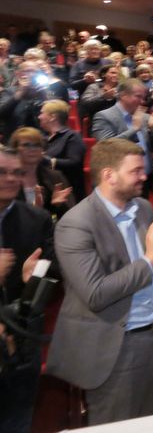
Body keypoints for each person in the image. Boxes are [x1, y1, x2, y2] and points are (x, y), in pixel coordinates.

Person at [46, 138, 153, 425]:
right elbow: (96, 293)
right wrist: (150, 258)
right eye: (136, 171)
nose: (144, 176)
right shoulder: (76, 224)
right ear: (109, 175)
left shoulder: (143, 208)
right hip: (116, 346)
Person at [0, 146, 54, 433]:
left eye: (17, 172)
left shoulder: (37, 219)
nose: (11, 178)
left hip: (21, 345)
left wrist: (32, 279)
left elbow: (52, 274)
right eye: (2, 172)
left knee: (18, 422)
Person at [9, 127, 75, 218]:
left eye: (37, 145)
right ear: (15, 149)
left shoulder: (55, 177)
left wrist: (57, 206)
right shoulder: (7, 178)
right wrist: (33, 211)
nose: (32, 149)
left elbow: (71, 213)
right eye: (26, 145)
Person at [39, 99, 87, 200]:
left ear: (52, 117)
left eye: (42, 113)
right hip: (48, 191)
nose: (39, 117)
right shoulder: (44, 139)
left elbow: (74, 162)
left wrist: (46, 160)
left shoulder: (72, 137)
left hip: (68, 194)